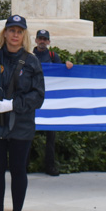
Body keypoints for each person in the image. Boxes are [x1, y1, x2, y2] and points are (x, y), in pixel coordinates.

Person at [0, 15, 45, 211]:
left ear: (24, 35)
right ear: (5, 33)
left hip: (21, 123)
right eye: (11, 30)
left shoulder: (32, 61)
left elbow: (38, 96)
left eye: (19, 31)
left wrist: (15, 104)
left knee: (18, 170)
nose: (15, 35)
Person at [32, 28, 72, 176]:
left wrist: (67, 66)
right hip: (33, 100)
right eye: (40, 38)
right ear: (35, 40)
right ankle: (23, 165)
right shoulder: (28, 55)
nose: (42, 41)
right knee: (27, 134)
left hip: (50, 101)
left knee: (51, 136)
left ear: (48, 42)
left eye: (44, 39)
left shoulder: (53, 56)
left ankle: (50, 166)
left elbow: (61, 76)